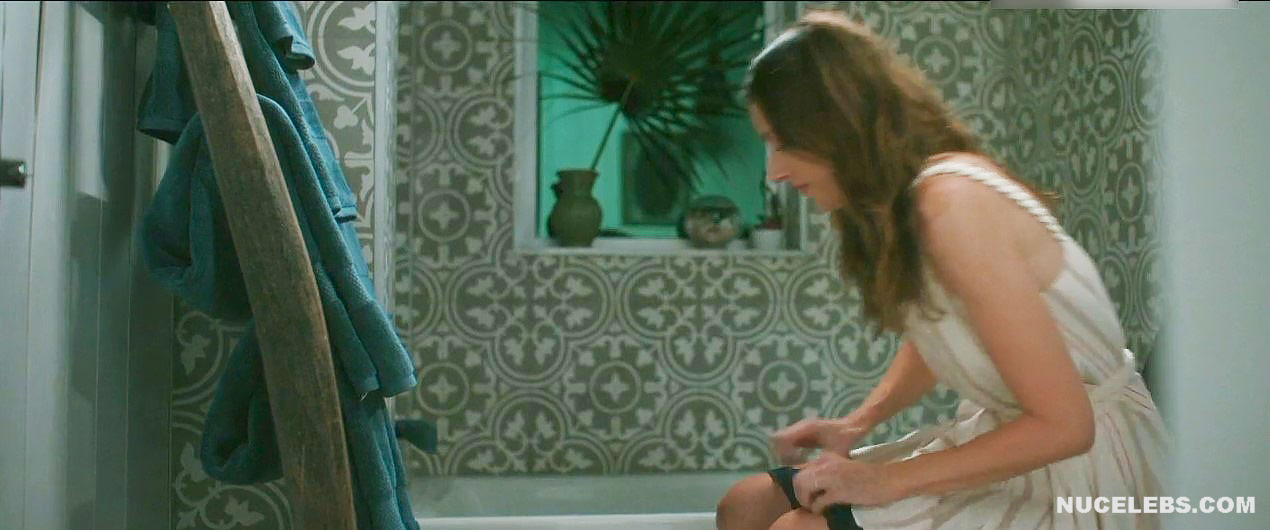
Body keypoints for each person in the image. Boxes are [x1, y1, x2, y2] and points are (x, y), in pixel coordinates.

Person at [716, 9, 1170, 530]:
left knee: (797, 529)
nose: (774, 171)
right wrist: (857, 423)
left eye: (783, 142)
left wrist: (885, 481)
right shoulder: (907, 202)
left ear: (835, 124)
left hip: (1089, 472)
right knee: (746, 504)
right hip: (1018, 440)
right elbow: (949, 329)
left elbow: (1068, 427)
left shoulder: (951, 204)